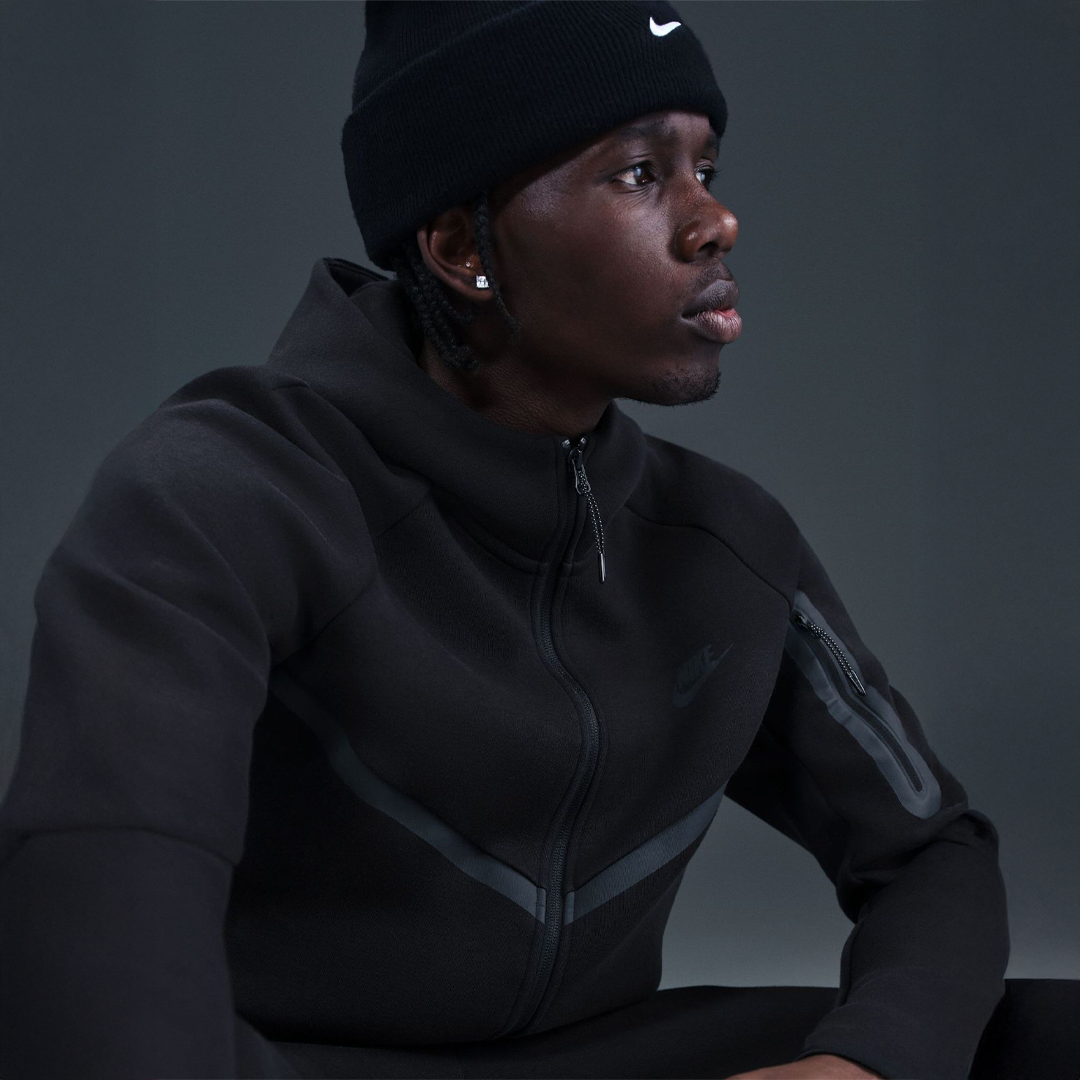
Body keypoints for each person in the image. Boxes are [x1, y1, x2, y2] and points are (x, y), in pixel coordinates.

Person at [0, 2, 1077, 1079]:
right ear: (463, 247)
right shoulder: (225, 494)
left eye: (706, 168)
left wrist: (864, 1067)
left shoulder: (724, 542)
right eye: (641, 175)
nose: (716, 222)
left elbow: (932, 854)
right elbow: (102, 908)